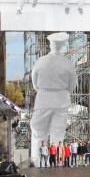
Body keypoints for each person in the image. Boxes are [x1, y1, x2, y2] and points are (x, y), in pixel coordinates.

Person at [30, 32, 77, 166]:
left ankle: (38, 161)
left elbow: (35, 84)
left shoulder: (40, 61)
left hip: (44, 99)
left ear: (51, 45)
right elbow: (72, 85)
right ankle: (58, 162)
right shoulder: (68, 63)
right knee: (58, 132)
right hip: (61, 100)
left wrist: (44, 91)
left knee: (38, 130)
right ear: (63, 46)